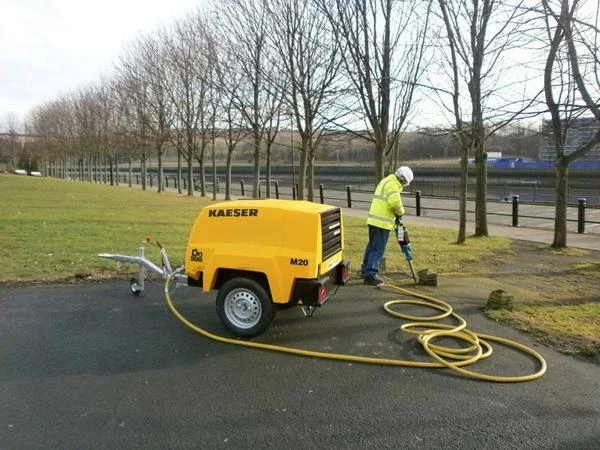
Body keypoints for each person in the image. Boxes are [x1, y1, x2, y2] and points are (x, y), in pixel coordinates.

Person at [361, 166, 414, 286]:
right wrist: (401, 212)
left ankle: (365, 271)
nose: (405, 184)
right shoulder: (392, 185)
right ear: (402, 179)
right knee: (377, 250)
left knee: (371, 247)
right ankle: (370, 275)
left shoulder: (386, 181)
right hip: (382, 223)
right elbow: (395, 203)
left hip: (374, 221)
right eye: (405, 182)